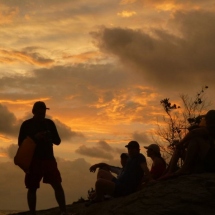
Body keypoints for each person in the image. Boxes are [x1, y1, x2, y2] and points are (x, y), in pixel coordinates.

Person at [18, 101, 71, 215]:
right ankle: (33, 213)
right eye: (40, 112)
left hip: (49, 159)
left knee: (57, 184)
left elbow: (58, 141)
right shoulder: (26, 125)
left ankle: (63, 211)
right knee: (32, 188)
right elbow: (20, 143)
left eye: (44, 112)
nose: (42, 114)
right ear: (34, 111)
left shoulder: (49, 123)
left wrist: (49, 136)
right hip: (33, 160)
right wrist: (34, 138)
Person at [86, 141, 152, 206]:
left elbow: (145, 168)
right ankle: (99, 194)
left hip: (124, 189)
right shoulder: (130, 160)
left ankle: (99, 198)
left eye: (133, 149)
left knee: (99, 182)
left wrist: (150, 179)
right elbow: (109, 167)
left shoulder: (139, 157)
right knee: (101, 172)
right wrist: (96, 165)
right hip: (119, 183)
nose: (130, 150)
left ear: (138, 150)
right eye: (129, 149)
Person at [160, 109, 215, 179]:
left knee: (195, 140)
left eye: (206, 119)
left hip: (211, 162)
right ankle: (169, 171)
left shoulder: (211, 129)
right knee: (180, 149)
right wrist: (182, 145)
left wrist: (181, 143)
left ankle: (184, 168)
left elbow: (194, 133)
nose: (205, 121)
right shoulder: (206, 134)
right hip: (204, 161)